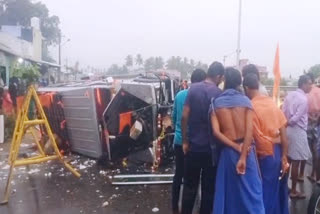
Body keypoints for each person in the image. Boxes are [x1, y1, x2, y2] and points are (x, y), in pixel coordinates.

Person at [211, 68, 265, 214]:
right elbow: (250, 130)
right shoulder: (246, 101)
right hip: (247, 151)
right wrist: (243, 156)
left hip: (228, 153)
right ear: (239, 82)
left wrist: (235, 146)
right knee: (253, 193)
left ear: (225, 81)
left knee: (229, 195)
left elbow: (216, 132)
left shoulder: (216, 103)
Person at [181, 61, 224, 214]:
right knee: (208, 190)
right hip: (211, 151)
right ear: (218, 76)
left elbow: (184, 116)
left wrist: (185, 141)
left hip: (193, 147)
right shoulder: (219, 94)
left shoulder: (193, 89)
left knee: (189, 186)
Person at [243, 73, 289, 214]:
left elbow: (254, 137)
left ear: (246, 88)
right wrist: (284, 156)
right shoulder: (272, 104)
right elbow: (284, 134)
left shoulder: (251, 107)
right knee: (274, 190)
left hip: (263, 154)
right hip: (277, 152)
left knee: (262, 193)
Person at [171, 69, 206, 214]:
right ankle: (194, 206)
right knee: (192, 178)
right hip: (192, 143)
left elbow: (174, 118)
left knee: (178, 174)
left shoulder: (180, 95)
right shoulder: (200, 96)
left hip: (178, 140)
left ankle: (174, 206)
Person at [282, 74, 312, 199]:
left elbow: (283, 111)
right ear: (303, 84)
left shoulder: (289, 95)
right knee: (296, 162)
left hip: (288, 129)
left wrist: (284, 124)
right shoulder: (303, 99)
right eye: (309, 83)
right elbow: (296, 118)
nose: (311, 86)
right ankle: (294, 190)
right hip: (297, 130)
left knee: (287, 159)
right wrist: (288, 122)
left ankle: (284, 187)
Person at [306, 73, 320, 182]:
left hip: (308, 120)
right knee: (316, 149)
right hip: (317, 120)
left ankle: (303, 174)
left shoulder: (308, 92)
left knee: (307, 149)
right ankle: (315, 175)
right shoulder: (319, 91)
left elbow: (303, 109)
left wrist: (311, 117)